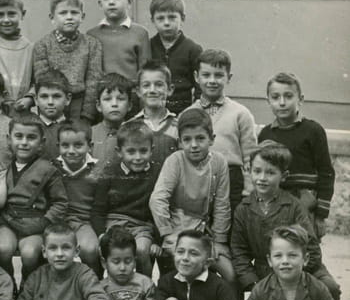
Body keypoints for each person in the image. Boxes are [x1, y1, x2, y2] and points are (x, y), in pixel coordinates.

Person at [231, 141, 340, 300]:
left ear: (284, 176)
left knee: (330, 287)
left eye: (270, 172)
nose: (262, 178)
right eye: (257, 171)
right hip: (264, 272)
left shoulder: (294, 206)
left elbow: (311, 248)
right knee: (235, 286)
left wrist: (292, 277)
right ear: (249, 171)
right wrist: (252, 281)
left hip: (298, 268)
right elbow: (239, 251)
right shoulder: (243, 209)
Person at [149, 108, 236, 288]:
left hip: (204, 232)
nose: (194, 145)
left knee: (230, 274)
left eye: (200, 138)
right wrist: (167, 233)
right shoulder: (175, 161)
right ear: (180, 142)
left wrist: (219, 241)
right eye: (187, 140)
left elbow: (222, 204)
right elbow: (158, 199)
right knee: (188, 269)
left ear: (212, 139)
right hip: (177, 229)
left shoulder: (219, 162)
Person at [258, 72, 334, 240]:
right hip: (275, 200)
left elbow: (326, 172)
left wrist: (321, 215)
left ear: (300, 99)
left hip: (304, 202)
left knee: (304, 244)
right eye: (275, 97)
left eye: (288, 96)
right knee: (275, 244)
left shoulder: (313, 131)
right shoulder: (265, 134)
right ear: (268, 101)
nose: (282, 102)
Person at [186, 49, 257, 223]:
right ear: (196, 77)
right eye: (206, 75)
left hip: (232, 181)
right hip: (197, 179)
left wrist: (249, 191)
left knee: (229, 227)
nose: (212, 80)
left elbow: (250, 157)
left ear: (228, 78)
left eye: (218, 75)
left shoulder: (241, 113)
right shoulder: (187, 114)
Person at [0, 114, 68, 280]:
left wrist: (45, 222)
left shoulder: (48, 170)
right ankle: (7, 284)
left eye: (31, 137)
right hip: (8, 222)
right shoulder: (3, 168)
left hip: (36, 224)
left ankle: (28, 287)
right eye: (18, 136)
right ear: (8, 139)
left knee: (29, 253)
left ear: (41, 143)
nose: (24, 142)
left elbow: (60, 203)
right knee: (3, 249)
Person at [91, 121, 162, 277]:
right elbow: (98, 209)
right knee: (105, 249)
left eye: (143, 151)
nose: (138, 157)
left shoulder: (157, 173)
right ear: (119, 152)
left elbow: (161, 208)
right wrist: (101, 234)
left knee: (142, 250)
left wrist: (157, 241)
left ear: (152, 150)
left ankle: (145, 286)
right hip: (114, 223)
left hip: (142, 226)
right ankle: (104, 286)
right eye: (131, 151)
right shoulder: (109, 172)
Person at [32, 0, 103, 125]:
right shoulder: (42, 45)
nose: (69, 17)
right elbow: (41, 80)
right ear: (52, 17)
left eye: (74, 12)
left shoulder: (92, 44)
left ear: (82, 16)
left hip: (80, 103)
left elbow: (93, 81)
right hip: (53, 102)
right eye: (63, 13)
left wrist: (87, 115)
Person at [53, 122, 101, 275]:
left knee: (90, 249)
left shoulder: (97, 171)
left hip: (83, 222)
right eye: (65, 145)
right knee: (49, 249)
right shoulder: (52, 168)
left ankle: (94, 281)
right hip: (56, 221)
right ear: (58, 146)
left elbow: (100, 206)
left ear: (90, 146)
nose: (71, 151)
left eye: (78, 145)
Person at [87, 0, 151, 82]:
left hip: (131, 92)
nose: (111, 2)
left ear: (129, 1)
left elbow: (145, 73)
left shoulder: (141, 33)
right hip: (103, 92)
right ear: (100, 3)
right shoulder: (92, 35)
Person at [148, 0, 202, 114]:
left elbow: (200, 85)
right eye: (160, 18)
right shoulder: (148, 46)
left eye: (172, 17)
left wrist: (195, 110)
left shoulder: (193, 49)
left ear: (182, 18)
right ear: (152, 20)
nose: (166, 23)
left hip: (183, 111)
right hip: (153, 110)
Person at [123, 61, 179, 167]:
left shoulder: (178, 127)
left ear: (170, 89)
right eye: (146, 85)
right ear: (138, 91)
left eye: (159, 85)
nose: (152, 90)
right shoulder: (128, 127)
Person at [34, 69, 84, 161]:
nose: (50, 102)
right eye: (44, 96)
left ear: (68, 99)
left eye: (56, 96)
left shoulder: (76, 130)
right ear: (36, 100)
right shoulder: (31, 129)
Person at [91, 73, 135, 167]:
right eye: (107, 99)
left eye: (120, 99)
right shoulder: (90, 134)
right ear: (98, 106)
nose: (114, 104)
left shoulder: (136, 134)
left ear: (129, 105)